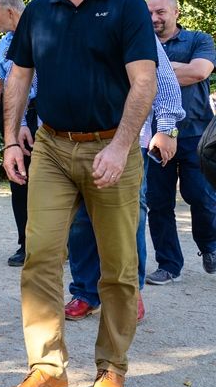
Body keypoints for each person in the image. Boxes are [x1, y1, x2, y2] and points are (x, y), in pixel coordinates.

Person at [0, 0, 157, 387]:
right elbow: (19, 75)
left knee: (117, 266)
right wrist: (9, 140)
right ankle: (48, 369)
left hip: (111, 147)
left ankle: (112, 367)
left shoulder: (126, 6)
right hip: (50, 146)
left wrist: (119, 146)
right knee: (40, 257)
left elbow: (144, 82)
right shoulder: (38, 12)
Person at [63, 35, 183, 323]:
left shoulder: (127, 15)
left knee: (129, 217)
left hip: (126, 139)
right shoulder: (60, 19)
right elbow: (40, 77)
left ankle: (129, 292)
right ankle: (85, 293)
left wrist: (166, 128)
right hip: (69, 140)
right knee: (80, 219)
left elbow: (163, 79)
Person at [144, 0, 216, 282]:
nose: (154, 19)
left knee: (200, 196)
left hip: (196, 135)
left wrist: (154, 74)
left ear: (176, 13)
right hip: (156, 135)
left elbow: (199, 73)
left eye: (160, 12)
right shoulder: (139, 41)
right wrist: (174, 70)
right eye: (149, 12)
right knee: (159, 202)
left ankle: (210, 247)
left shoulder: (199, 40)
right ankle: (168, 265)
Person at [0, 0, 36, 267]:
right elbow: (2, 82)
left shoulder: (38, 34)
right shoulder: (3, 45)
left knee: (46, 182)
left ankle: (57, 242)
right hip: (13, 117)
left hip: (38, 116)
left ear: (11, 12)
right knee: (19, 182)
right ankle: (25, 243)